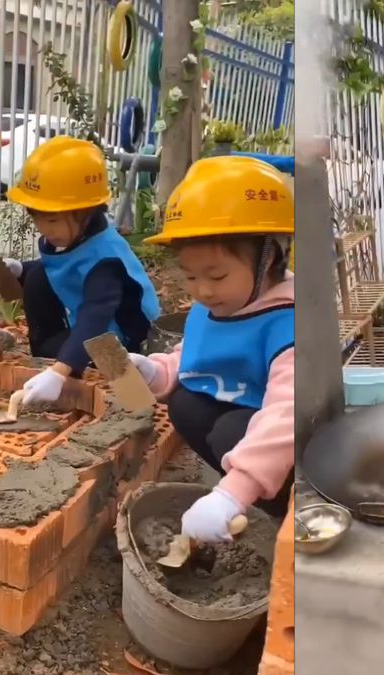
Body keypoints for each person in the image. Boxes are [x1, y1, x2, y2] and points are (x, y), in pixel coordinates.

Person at [128, 156, 295, 541]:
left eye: (217, 275)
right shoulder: (219, 304)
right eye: (190, 276)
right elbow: (196, 355)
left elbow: (287, 413)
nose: (202, 290)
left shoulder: (288, 321)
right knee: (186, 402)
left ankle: (285, 514)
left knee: (228, 431)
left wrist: (231, 494)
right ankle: (247, 495)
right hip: (249, 420)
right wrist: (154, 372)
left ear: (268, 258)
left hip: (290, 442)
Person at [2, 136, 160, 405]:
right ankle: (52, 366)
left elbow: (95, 318)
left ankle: (135, 401)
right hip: (93, 331)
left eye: (51, 220)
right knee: (38, 275)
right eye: (37, 219)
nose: (44, 230)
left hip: (124, 342)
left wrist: (60, 371)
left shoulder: (105, 260)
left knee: (133, 402)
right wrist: (20, 270)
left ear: (85, 211)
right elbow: (63, 268)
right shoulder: (76, 236)